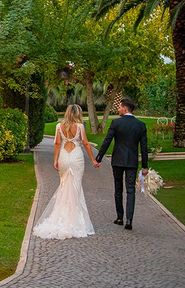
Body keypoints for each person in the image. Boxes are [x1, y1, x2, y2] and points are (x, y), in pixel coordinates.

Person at [33, 104, 100, 239]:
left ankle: (62, 216)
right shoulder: (80, 126)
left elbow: (57, 144)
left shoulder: (59, 126)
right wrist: (93, 160)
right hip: (76, 157)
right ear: (77, 113)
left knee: (64, 185)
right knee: (75, 187)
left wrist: (55, 160)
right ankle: (74, 219)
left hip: (64, 156)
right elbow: (86, 144)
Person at [95, 97, 148, 231]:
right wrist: (145, 166)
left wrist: (99, 158)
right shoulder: (140, 125)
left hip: (117, 161)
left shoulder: (116, 123)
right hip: (132, 162)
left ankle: (120, 217)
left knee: (118, 188)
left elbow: (107, 141)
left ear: (125, 108)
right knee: (130, 190)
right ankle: (129, 220)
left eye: (119, 107)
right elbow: (144, 147)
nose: (118, 109)